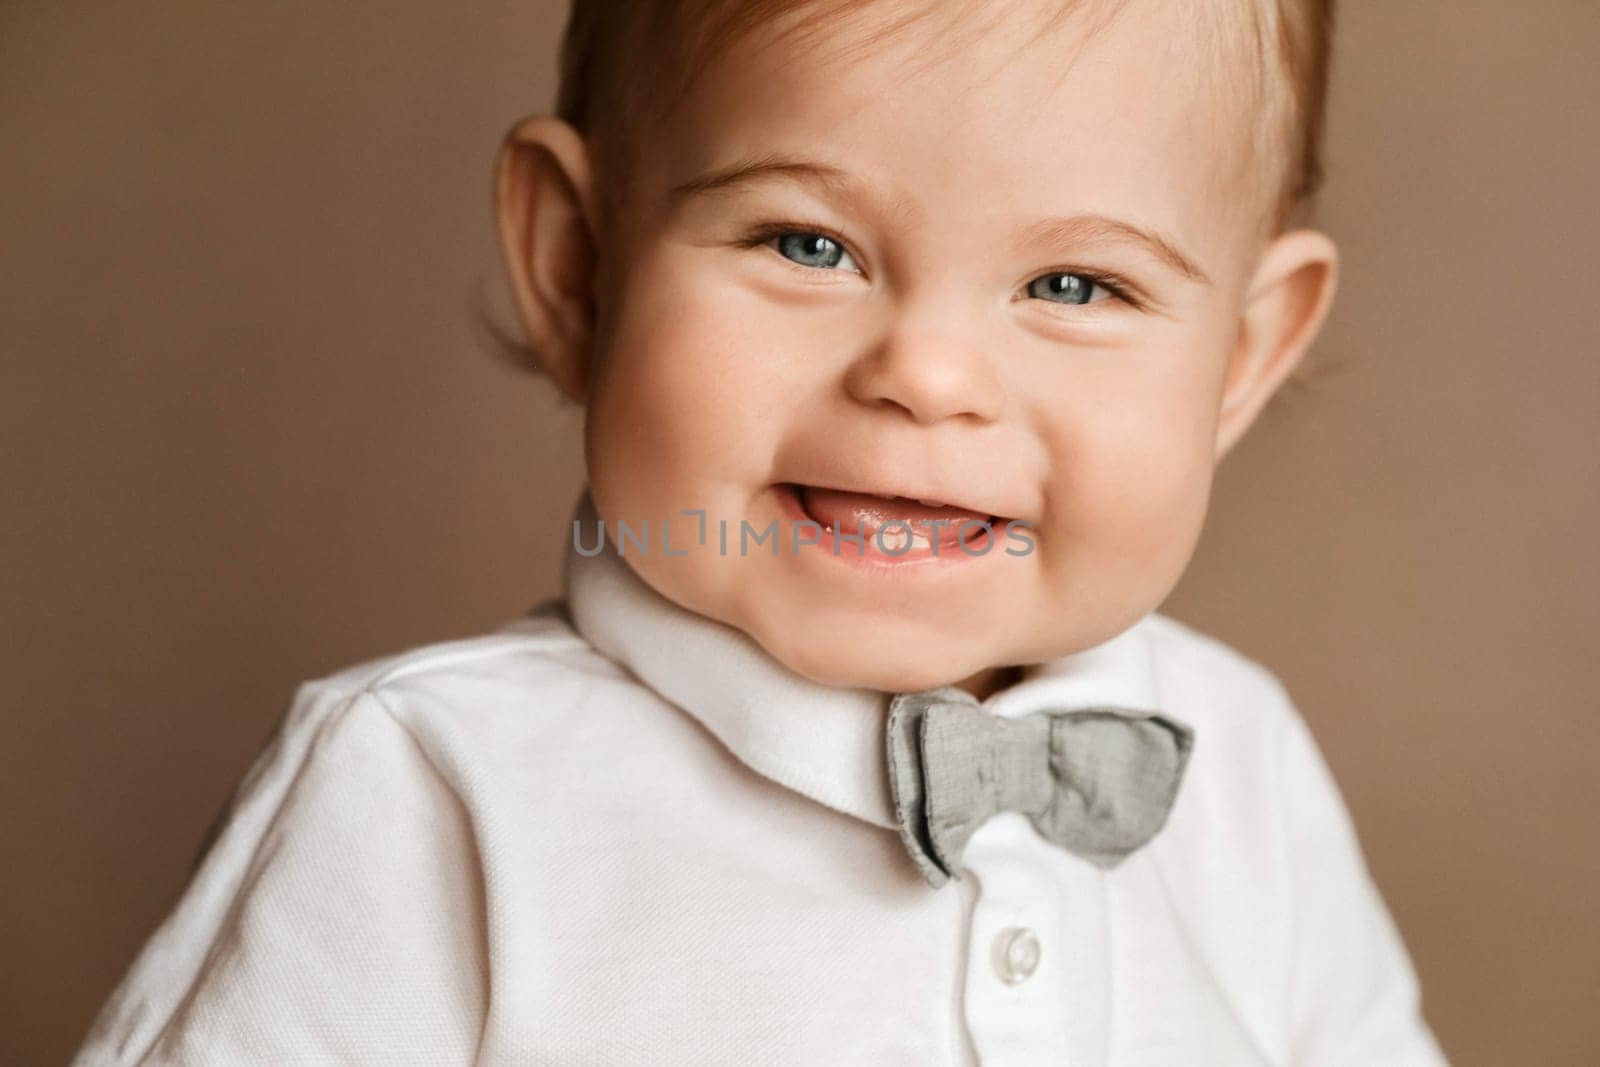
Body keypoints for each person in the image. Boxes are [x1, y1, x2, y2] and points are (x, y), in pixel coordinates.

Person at [74, 0, 1450, 1062]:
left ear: (1240, 359)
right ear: (579, 269)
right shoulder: (426, 786)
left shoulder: (1242, 763)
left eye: (1076, 283)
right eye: (806, 244)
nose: (928, 374)